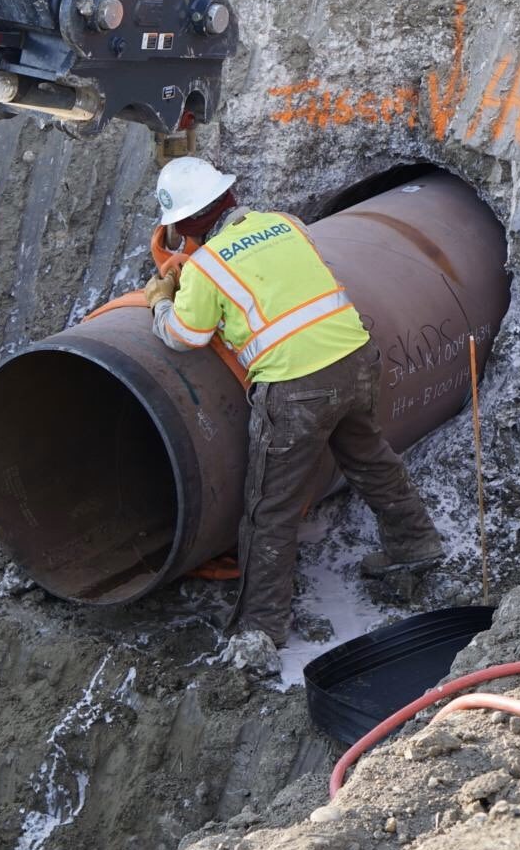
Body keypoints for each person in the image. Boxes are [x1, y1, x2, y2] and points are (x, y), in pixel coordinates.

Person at [141, 156, 444, 675]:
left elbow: (187, 336)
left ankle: (259, 630)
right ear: (228, 198)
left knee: (271, 507)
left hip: (296, 386)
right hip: (355, 356)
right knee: (370, 457)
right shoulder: (283, 224)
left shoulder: (208, 268)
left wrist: (159, 301)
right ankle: (414, 545)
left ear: (187, 222)